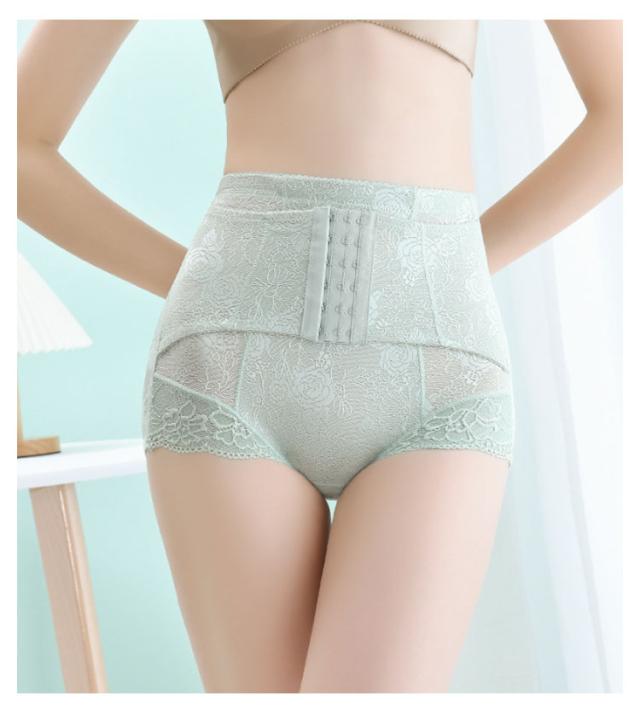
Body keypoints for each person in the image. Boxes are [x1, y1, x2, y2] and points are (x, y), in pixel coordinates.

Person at [17, 19, 622, 693]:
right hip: (230, 369)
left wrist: (460, 268)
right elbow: (19, 145)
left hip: (441, 367)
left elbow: (621, 115)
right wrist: (202, 280)